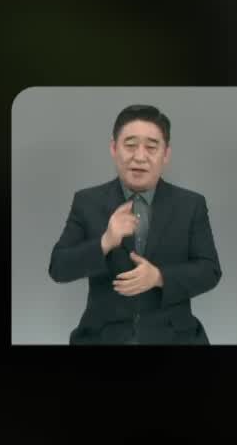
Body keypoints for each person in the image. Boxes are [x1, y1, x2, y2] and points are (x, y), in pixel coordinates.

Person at [47, 104, 221, 344]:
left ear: (166, 154)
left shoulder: (191, 205)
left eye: (151, 147)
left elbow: (210, 271)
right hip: (103, 336)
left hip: (175, 336)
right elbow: (58, 268)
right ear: (113, 148)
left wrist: (159, 277)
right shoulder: (87, 201)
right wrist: (105, 241)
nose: (140, 156)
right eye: (130, 145)